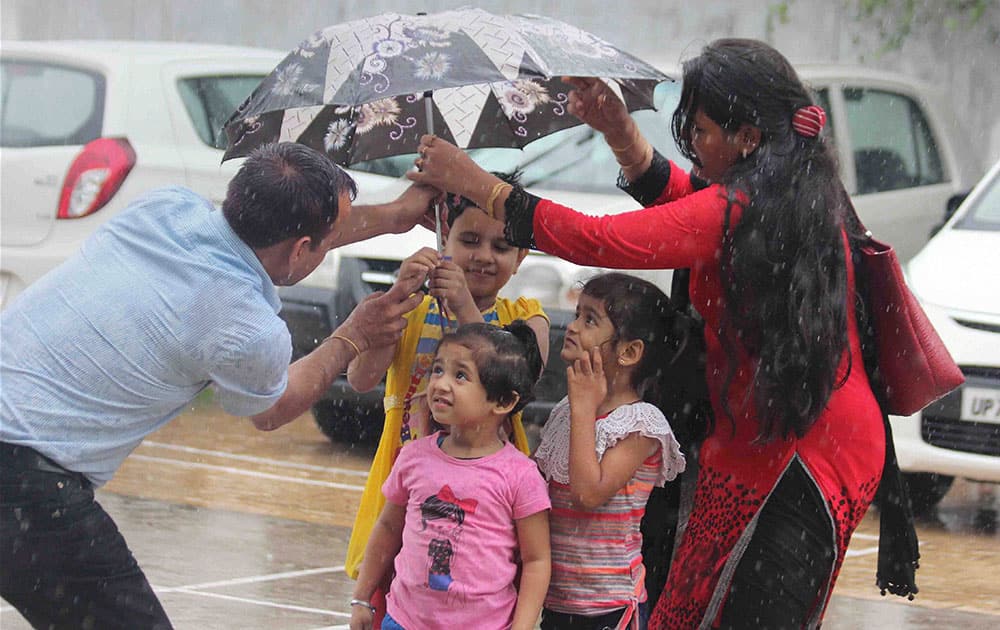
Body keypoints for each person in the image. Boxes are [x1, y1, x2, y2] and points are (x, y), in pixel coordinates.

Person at [410, 38, 886, 629]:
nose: (693, 144)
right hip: (755, 431)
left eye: (701, 129)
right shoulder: (776, 189)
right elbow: (683, 201)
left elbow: (610, 241)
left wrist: (482, 187)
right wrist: (619, 132)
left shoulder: (754, 203)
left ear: (747, 138)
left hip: (810, 448)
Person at [0, 142, 438, 630]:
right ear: (300, 250)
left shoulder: (165, 206)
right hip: (23, 486)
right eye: (332, 234)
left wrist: (399, 215)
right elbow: (271, 409)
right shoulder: (244, 325)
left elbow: (287, 233)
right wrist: (352, 337)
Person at [343, 172, 551, 607]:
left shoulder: (527, 319)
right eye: (469, 239)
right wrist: (397, 296)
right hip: (407, 482)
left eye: (502, 246)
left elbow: (517, 377)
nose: (483, 256)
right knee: (392, 588)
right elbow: (361, 378)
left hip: (484, 501)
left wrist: (463, 308)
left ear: (522, 255)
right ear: (444, 241)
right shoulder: (415, 308)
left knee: (468, 595)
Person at [349, 321, 551, 630]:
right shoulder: (414, 457)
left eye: (460, 375)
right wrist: (362, 598)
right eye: (438, 370)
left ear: (504, 402)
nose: (441, 384)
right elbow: (388, 526)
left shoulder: (520, 476)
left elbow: (536, 560)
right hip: (404, 620)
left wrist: (521, 627)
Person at [533, 273, 685, 630]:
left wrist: (584, 409)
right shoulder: (566, 409)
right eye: (576, 314)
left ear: (629, 351)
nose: (572, 327)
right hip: (557, 598)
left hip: (609, 606)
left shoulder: (642, 424)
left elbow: (588, 493)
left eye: (589, 320)